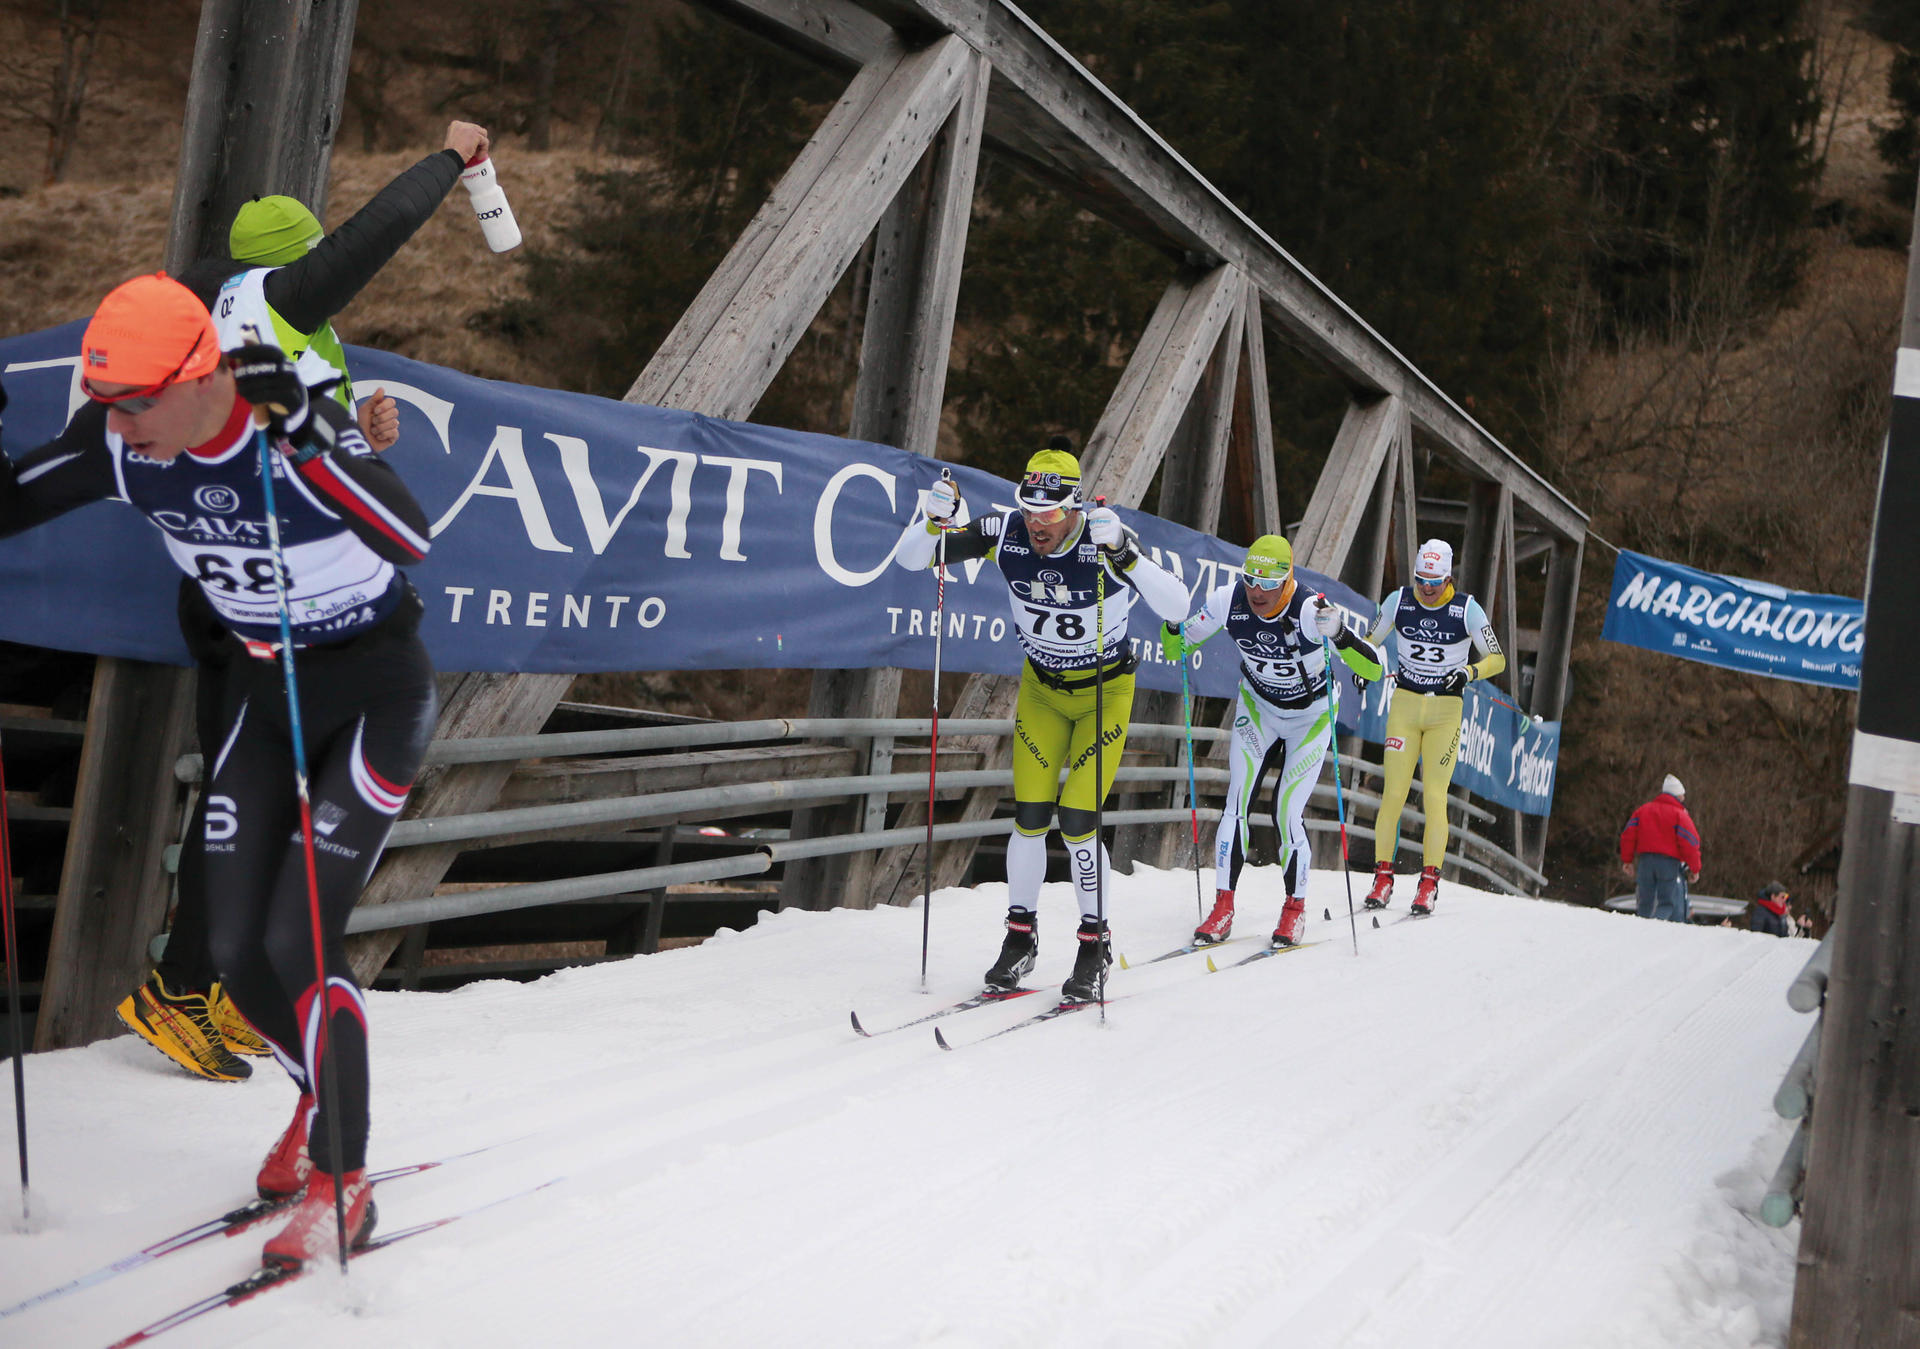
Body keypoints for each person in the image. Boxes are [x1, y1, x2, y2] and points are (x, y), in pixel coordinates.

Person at [0, 274, 436, 1267]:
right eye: (104, 401)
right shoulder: (124, 440)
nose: (118, 423)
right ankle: (314, 1103)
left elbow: (410, 536)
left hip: (374, 687)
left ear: (201, 374)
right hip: (267, 694)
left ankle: (342, 1174)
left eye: (136, 400)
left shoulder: (283, 406)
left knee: (299, 933)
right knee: (235, 950)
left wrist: (312, 442)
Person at [114, 121, 486, 1084]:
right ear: (290, 265)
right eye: (314, 259)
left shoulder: (283, 334)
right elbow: (374, 234)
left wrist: (361, 431)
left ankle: (223, 988)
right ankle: (179, 990)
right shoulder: (268, 302)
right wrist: (447, 158)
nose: (328, 272)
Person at [893, 442, 1188, 1001]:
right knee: (1028, 815)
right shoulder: (1004, 530)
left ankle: (1094, 942)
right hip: (1043, 692)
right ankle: (1020, 937)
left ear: (1075, 507)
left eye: (1049, 513)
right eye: (1029, 508)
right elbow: (912, 560)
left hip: (1104, 692)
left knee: (1078, 818)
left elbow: (1177, 607)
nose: (1037, 523)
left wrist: (1125, 551)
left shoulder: (1102, 541)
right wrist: (931, 520)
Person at [1161, 535, 1383, 947]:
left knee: (1286, 810)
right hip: (1259, 707)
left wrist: (1341, 635)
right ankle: (1223, 906)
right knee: (1236, 801)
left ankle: (1294, 910)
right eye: (1251, 580)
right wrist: (1171, 617)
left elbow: (1372, 670)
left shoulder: (1310, 609)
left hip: (1311, 717)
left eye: (1269, 583)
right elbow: (1177, 646)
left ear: (1289, 580)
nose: (1257, 592)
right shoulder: (1229, 599)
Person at [1361, 539, 1506, 915]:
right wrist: (1363, 667)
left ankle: (1428, 883)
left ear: (1448, 577)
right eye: (1421, 580)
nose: (1426, 589)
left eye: (1435, 581)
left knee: (1434, 798)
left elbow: (1498, 659)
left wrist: (1469, 672)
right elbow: (1369, 641)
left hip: (1445, 712)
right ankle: (1382, 876)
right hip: (1406, 706)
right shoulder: (1398, 601)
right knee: (1393, 794)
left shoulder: (1466, 609)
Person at [1618, 774, 1701, 923]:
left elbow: (1628, 835)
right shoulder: (1680, 815)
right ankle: (1655, 931)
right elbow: (1690, 842)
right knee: (1666, 903)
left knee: (1645, 903)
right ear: (1678, 795)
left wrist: (1627, 860)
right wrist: (1694, 868)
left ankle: (1641, 930)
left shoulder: (1643, 811)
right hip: (1668, 864)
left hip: (1645, 862)